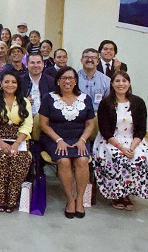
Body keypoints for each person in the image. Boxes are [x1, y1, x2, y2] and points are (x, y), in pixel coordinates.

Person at [39, 66, 96, 218]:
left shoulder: (85, 98)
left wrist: (83, 140)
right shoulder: (48, 98)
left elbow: (90, 124)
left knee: (83, 160)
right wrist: (59, 140)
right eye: (64, 78)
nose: (67, 81)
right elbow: (44, 124)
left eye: (71, 78)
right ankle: (70, 199)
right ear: (58, 81)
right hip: (54, 138)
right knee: (64, 161)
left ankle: (80, 200)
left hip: (79, 138)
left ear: (76, 81)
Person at [93, 71, 148, 210]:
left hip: (133, 139)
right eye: (117, 81)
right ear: (112, 84)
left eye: (124, 81)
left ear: (129, 83)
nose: (121, 84)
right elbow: (105, 131)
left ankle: (128, 193)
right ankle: (116, 194)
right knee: (119, 158)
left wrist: (132, 146)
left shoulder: (138, 102)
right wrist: (122, 148)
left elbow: (141, 129)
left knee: (140, 158)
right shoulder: (105, 103)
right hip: (111, 140)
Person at [0, 70, 34, 213]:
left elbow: (27, 124)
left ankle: (12, 198)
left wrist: (17, 144)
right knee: (2, 156)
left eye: (13, 82)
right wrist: (1, 143)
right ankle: (1, 197)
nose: (10, 85)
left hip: (19, 138)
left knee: (21, 158)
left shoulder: (24, 101)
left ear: (18, 85)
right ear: (0, 84)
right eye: (7, 82)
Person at [77, 48, 110, 113]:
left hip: (99, 116)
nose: (89, 60)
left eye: (93, 57)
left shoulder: (106, 80)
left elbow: (108, 103)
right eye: (86, 57)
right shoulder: (74, 79)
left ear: (98, 61)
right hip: (79, 116)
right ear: (81, 60)